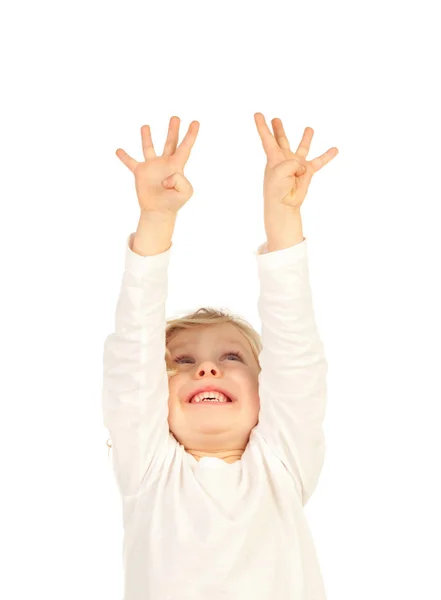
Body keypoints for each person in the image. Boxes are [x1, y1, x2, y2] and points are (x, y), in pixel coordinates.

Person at [102, 114, 339, 600]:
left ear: (266, 391)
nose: (207, 368)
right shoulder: (148, 468)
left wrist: (283, 218)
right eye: (181, 362)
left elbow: (295, 350)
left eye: (232, 356)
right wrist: (155, 222)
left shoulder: (281, 464)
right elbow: (132, 354)